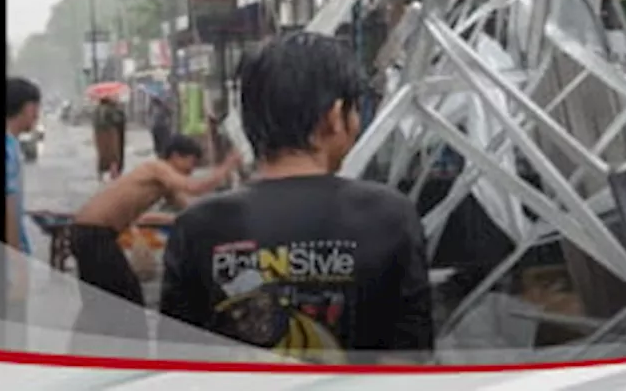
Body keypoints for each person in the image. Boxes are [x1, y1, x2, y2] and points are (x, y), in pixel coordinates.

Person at [159, 32, 433, 362]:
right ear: (334, 117)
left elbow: (177, 363)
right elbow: (413, 359)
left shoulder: (197, 226)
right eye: (355, 111)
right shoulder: (391, 216)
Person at [69, 134, 241, 342]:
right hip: (93, 233)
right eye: (191, 163)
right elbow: (194, 187)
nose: (192, 170)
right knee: (127, 296)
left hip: (92, 233)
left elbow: (190, 209)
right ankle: (130, 353)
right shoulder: (156, 168)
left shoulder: (165, 183)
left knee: (102, 300)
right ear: (176, 156)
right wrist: (226, 167)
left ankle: (87, 350)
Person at [6, 78, 41, 314]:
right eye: (37, 108)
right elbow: (7, 206)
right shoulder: (8, 148)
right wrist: (17, 267)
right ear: (28, 107)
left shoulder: (12, 144)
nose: (37, 115)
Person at [92, 97, 128, 181]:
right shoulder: (111, 110)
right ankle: (114, 175)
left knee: (103, 155)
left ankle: (100, 175)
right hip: (111, 134)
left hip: (99, 135)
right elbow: (118, 120)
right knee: (113, 155)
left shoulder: (97, 110)